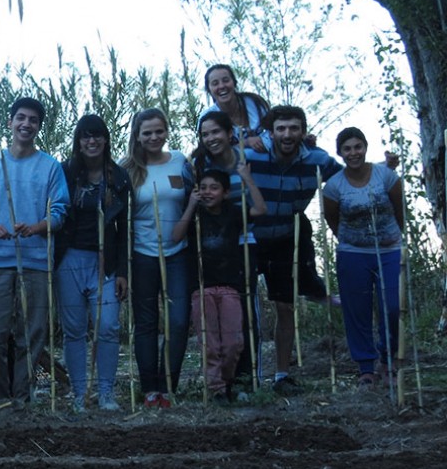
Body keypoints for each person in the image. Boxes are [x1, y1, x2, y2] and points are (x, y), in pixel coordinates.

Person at [0, 97, 69, 407]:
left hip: (36, 261)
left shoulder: (50, 166)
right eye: (21, 118)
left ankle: (23, 398)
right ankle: (0, 397)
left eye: (33, 120)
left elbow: (60, 212)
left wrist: (38, 226)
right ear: (10, 122)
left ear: (39, 126)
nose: (26, 124)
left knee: (33, 333)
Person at [244, 105, 344, 393]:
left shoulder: (317, 160)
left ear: (303, 131)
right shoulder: (251, 156)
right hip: (249, 238)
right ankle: (244, 378)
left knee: (285, 307)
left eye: (294, 128)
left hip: (288, 237)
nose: (287, 134)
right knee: (243, 308)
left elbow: (346, 178)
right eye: (281, 129)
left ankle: (281, 376)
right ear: (270, 131)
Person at [53, 115, 131, 412]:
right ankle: (79, 394)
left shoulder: (119, 177)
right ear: (78, 141)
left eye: (97, 135)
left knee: (109, 326)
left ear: (106, 139)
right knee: (73, 329)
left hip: (106, 262)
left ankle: (106, 393)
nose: (92, 141)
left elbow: (125, 229)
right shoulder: (64, 173)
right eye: (85, 136)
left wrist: (122, 271)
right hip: (69, 258)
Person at [172, 167, 267, 404]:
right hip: (201, 287)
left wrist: (248, 179)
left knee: (234, 341)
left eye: (213, 188)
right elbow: (175, 236)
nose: (207, 192)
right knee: (210, 342)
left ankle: (228, 381)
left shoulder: (233, 213)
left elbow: (261, 209)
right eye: (203, 187)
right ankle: (216, 389)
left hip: (229, 287)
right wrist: (192, 205)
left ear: (225, 193)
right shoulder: (195, 216)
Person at [120, 108, 193, 408]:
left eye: (158, 131)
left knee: (178, 321)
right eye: (147, 132)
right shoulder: (126, 169)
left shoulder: (181, 162)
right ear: (137, 135)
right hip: (142, 254)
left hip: (178, 253)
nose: (153, 137)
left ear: (166, 131)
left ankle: (168, 385)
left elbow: (196, 197)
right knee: (147, 324)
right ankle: (150, 389)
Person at [323, 127, 404, 389]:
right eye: (347, 148)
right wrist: (350, 240)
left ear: (365, 147)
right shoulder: (334, 185)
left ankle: (388, 359)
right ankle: (366, 367)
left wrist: (393, 238)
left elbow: (399, 209)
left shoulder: (386, 176)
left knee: (392, 306)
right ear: (340, 153)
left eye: (357, 146)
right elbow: (332, 218)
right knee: (356, 310)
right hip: (353, 253)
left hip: (390, 251)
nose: (353, 153)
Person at [201, 64, 272, 152]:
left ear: (234, 82)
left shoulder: (255, 103)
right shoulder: (207, 118)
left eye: (226, 80)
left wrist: (263, 141)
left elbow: (275, 131)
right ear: (209, 90)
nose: (222, 86)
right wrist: (245, 143)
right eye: (215, 83)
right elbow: (209, 151)